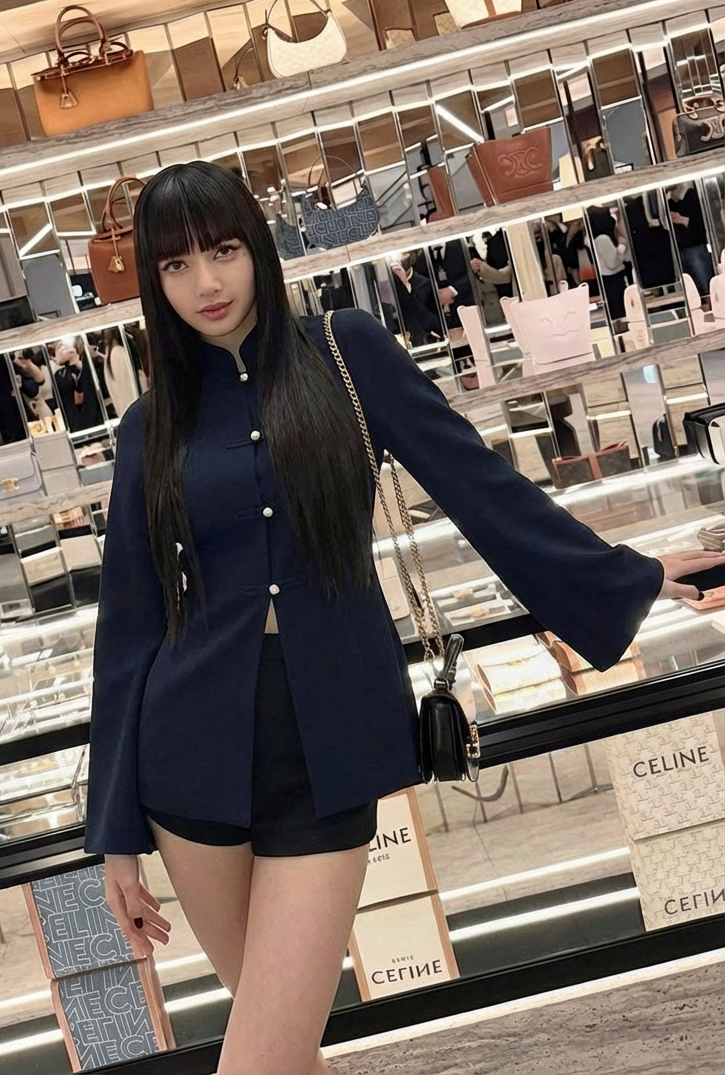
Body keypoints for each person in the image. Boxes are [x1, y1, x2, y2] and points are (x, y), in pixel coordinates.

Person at [86, 161, 722, 1075]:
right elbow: (130, 627)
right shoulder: (151, 427)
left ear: (256, 247)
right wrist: (116, 836)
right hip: (190, 763)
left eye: (222, 251)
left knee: (261, 1060)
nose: (207, 283)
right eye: (177, 265)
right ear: (153, 282)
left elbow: (479, 486)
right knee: (283, 1053)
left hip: (332, 744)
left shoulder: (345, 354)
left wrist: (632, 575)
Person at [668, 183, 716, 296]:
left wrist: (681, 220)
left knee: (707, 287)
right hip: (681, 248)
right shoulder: (669, 202)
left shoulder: (691, 196)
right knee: (694, 290)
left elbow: (701, 225)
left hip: (695, 247)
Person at [587, 206, 629, 321]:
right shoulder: (603, 238)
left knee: (618, 311)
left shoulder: (599, 237)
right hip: (613, 279)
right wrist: (621, 251)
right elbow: (612, 264)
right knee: (620, 312)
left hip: (610, 279)